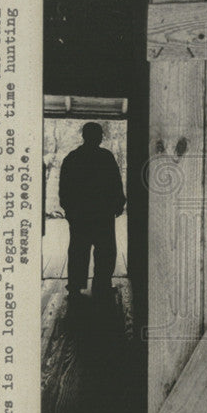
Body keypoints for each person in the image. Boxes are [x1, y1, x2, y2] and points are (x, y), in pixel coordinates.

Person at [59, 122, 125, 301]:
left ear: (84, 136)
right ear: (98, 136)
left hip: (80, 214)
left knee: (78, 250)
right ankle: (102, 284)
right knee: (105, 250)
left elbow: (64, 187)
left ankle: (75, 287)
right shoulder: (106, 157)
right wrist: (118, 204)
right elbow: (115, 183)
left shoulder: (73, 158)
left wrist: (69, 209)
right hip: (102, 213)